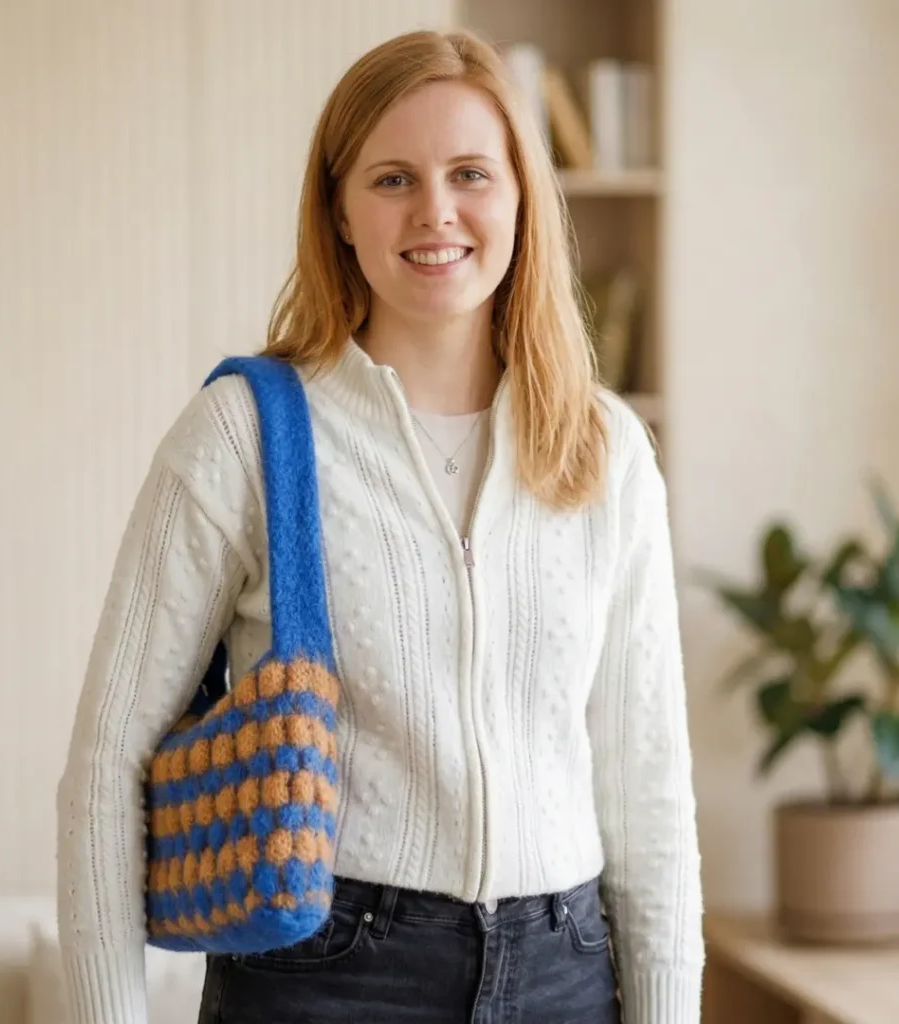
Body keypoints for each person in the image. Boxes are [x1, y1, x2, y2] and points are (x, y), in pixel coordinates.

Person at [57, 28, 704, 1024]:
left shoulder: (605, 448)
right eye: (393, 178)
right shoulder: (244, 434)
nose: (435, 211)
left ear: (523, 198)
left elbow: (648, 789)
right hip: (328, 975)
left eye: (471, 173)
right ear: (340, 213)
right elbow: (108, 759)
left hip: (567, 970)